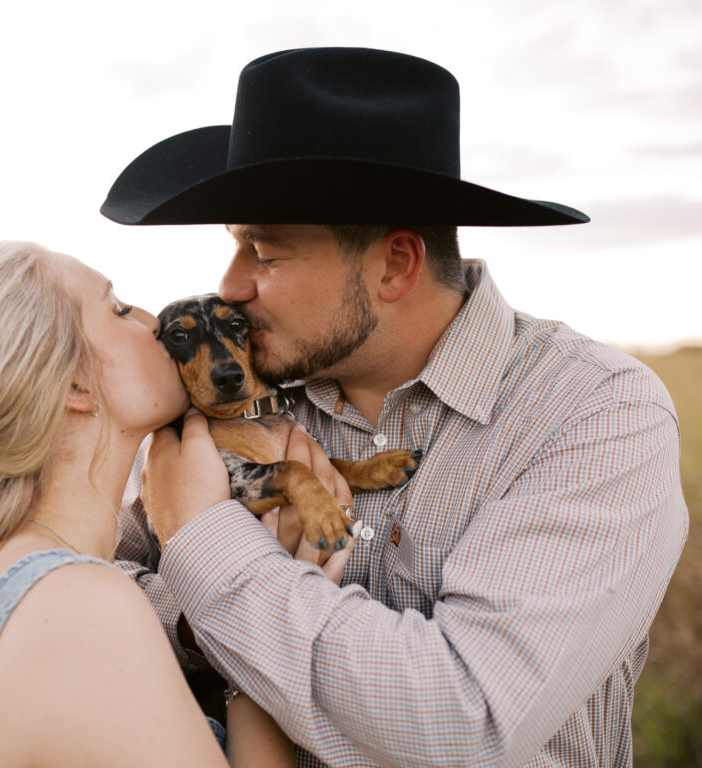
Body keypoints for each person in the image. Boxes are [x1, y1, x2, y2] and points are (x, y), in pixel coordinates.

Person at [101, 48, 689, 767]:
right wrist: (194, 622)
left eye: (266, 251)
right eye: (235, 246)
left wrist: (202, 540)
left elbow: (463, 720)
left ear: (395, 265)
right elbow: (90, 583)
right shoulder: (240, 402)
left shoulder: (593, 414)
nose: (232, 285)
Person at [0, 241, 295, 767]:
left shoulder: (3, 577)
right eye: (117, 309)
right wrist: (264, 635)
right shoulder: (83, 607)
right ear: (75, 384)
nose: (153, 321)